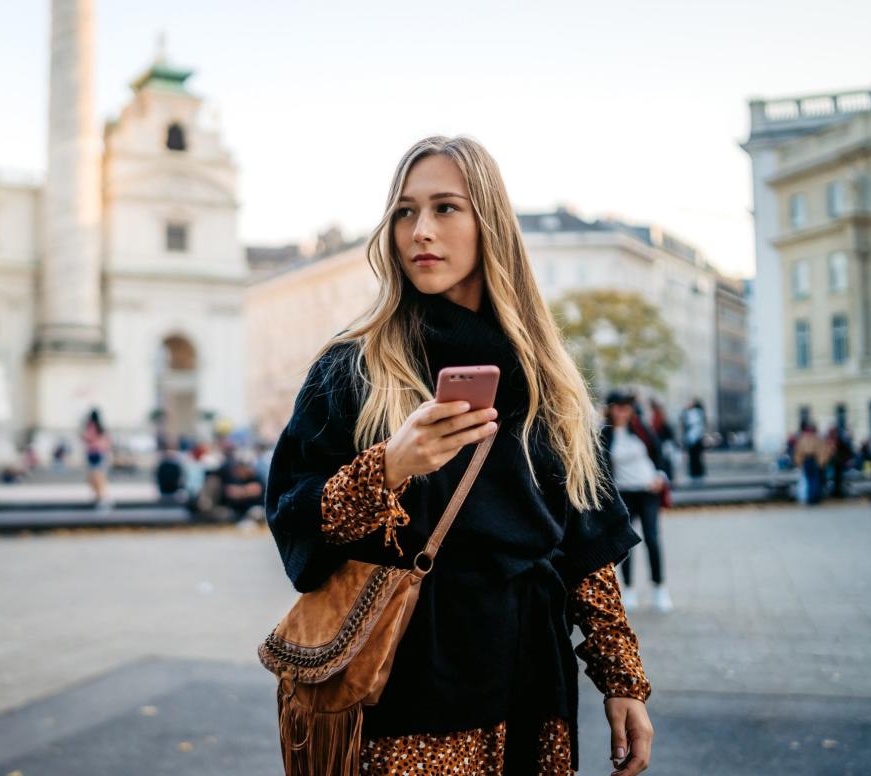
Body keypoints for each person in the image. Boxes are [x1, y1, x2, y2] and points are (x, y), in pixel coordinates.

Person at [265, 136, 653, 776]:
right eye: (404, 213)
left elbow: (584, 540)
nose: (421, 231)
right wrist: (389, 467)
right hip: (412, 674)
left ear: (490, 223)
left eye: (446, 208)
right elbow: (291, 513)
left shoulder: (544, 375)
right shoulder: (355, 368)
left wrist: (623, 681)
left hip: (530, 673)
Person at [603, 392, 672, 613]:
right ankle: (629, 589)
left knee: (652, 538)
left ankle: (659, 588)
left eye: (627, 407)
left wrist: (661, 476)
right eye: (619, 407)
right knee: (626, 543)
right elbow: (601, 467)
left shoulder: (641, 429)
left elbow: (659, 453)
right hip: (624, 494)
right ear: (611, 409)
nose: (623, 411)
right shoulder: (605, 434)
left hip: (648, 490)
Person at [220, 449, 264, 522]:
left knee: (256, 513)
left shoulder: (256, 476)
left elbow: (256, 489)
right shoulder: (236, 478)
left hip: (255, 508)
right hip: (238, 511)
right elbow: (229, 492)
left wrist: (241, 491)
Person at [81, 408, 111, 509]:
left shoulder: (90, 426)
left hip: (93, 453)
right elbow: (107, 442)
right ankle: (101, 497)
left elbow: (87, 438)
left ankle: (100, 498)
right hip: (100, 453)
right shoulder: (101, 427)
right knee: (99, 477)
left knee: (95, 477)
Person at [792, 421, 827, 505]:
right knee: (812, 480)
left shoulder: (805, 438)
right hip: (811, 460)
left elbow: (798, 451)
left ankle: (812, 498)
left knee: (811, 480)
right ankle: (813, 498)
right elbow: (799, 452)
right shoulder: (816, 438)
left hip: (810, 459)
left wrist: (799, 462)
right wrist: (821, 462)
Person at [647, 398, 677, 482]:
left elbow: (660, 430)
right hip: (664, 442)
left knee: (666, 461)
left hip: (664, 443)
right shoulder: (659, 416)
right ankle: (669, 477)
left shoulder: (658, 417)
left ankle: (669, 478)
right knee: (666, 462)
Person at [681, 398, 707, 483]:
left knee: (695, 457)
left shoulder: (695, 413)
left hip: (694, 438)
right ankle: (697, 472)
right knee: (695, 457)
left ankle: (696, 473)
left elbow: (688, 423)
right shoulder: (699, 412)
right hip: (695, 438)